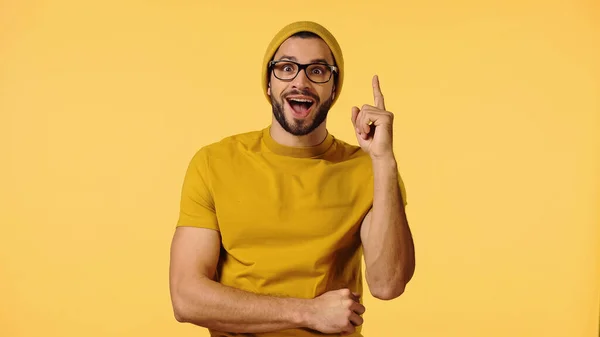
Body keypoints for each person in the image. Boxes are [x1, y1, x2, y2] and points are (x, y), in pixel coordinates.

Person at [168, 21, 415, 337]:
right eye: (286, 68)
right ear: (269, 83)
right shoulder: (214, 162)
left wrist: (383, 160)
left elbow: (388, 284)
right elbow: (186, 298)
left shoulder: (368, 169)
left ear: (334, 88)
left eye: (317, 71)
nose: (300, 81)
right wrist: (309, 312)